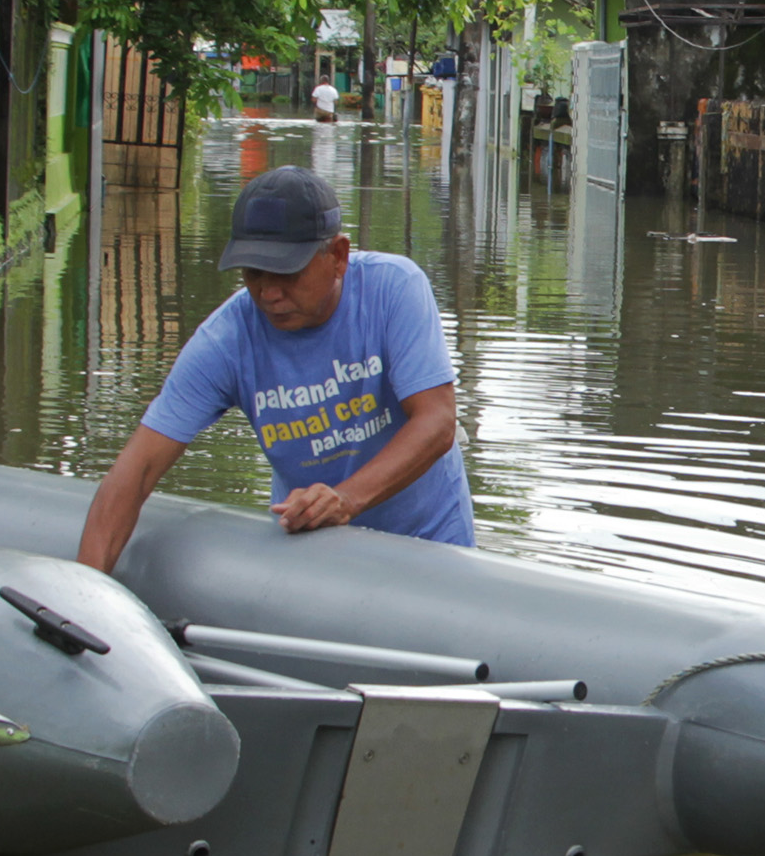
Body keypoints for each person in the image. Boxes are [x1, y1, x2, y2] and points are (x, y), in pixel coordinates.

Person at [77, 165, 473, 571]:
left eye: (286, 272)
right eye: (252, 273)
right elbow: (137, 470)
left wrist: (345, 500)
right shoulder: (226, 340)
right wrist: (86, 596)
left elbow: (437, 422)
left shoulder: (395, 290)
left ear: (337, 256)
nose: (268, 293)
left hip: (431, 541)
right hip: (315, 549)